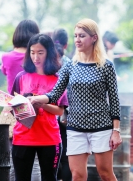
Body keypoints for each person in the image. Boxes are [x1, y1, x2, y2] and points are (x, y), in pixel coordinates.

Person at [29, 18, 122, 181]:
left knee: (105, 173)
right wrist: (34, 99)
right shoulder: (70, 66)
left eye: (82, 36)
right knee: (77, 175)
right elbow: (54, 95)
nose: (77, 40)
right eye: (75, 36)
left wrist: (116, 131)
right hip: (75, 128)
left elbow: (114, 100)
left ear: (94, 38)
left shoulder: (106, 66)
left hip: (101, 126)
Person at [11, 33, 68, 181]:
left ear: (48, 53)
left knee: (49, 178)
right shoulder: (21, 77)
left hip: (50, 138)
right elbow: (12, 106)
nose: (36, 57)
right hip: (23, 137)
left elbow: (60, 111)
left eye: (40, 53)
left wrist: (41, 104)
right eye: (32, 52)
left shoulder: (57, 79)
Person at [1, 19, 40, 181]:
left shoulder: (7, 57)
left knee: (13, 154)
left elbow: (5, 73)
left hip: (13, 108)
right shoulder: (37, 57)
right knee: (36, 155)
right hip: (36, 106)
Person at [52, 28, 72, 181]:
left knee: (53, 154)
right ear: (66, 46)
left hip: (50, 114)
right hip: (65, 114)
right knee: (66, 154)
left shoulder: (46, 67)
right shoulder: (70, 64)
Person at [1, 19, 40, 93]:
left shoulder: (6, 57)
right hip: (36, 101)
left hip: (13, 102)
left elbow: (4, 72)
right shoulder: (39, 57)